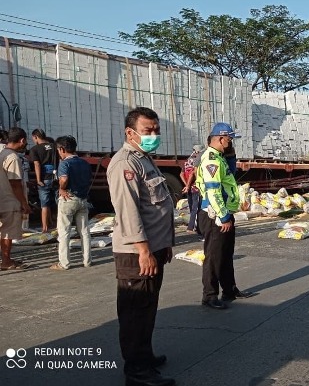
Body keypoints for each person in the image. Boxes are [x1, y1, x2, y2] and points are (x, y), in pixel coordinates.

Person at [106, 107, 175, 386]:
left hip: (153, 248)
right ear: (130, 133)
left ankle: (144, 356)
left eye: (156, 130)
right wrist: (145, 251)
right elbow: (129, 212)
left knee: (147, 307)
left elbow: (157, 208)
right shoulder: (125, 163)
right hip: (136, 254)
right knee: (135, 313)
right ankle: (136, 372)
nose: (154, 135)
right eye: (148, 131)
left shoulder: (145, 159)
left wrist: (164, 245)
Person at [196, 122, 254, 310]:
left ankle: (229, 289)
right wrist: (223, 217)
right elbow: (213, 191)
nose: (230, 143)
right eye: (229, 140)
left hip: (224, 212)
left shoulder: (220, 157)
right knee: (213, 256)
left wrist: (231, 155)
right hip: (215, 215)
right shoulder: (211, 160)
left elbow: (231, 174)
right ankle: (209, 296)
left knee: (226, 253)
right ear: (221, 139)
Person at [50, 136, 92, 271]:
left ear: (62, 149)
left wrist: (61, 189)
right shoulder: (85, 163)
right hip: (83, 199)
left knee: (64, 232)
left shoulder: (64, 163)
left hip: (69, 198)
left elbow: (64, 179)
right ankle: (87, 260)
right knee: (84, 231)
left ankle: (64, 263)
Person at [0, 127, 31, 270]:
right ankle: (6, 261)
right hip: (9, 201)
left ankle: (6, 259)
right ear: (22, 140)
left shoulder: (1, 153)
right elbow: (15, 184)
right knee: (8, 233)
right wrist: (24, 203)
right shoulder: (13, 157)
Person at [30, 128, 57, 232]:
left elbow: (37, 164)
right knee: (58, 202)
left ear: (36, 137)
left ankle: (45, 228)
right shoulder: (55, 147)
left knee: (44, 205)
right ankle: (57, 225)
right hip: (55, 177)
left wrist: (38, 180)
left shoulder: (35, 149)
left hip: (44, 179)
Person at [180, 144, 205, 233]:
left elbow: (181, 174)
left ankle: (193, 226)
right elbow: (192, 173)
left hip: (190, 188)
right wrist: (188, 185)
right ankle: (192, 227)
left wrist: (186, 185)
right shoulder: (197, 160)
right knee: (196, 208)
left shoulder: (187, 161)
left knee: (191, 208)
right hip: (196, 188)